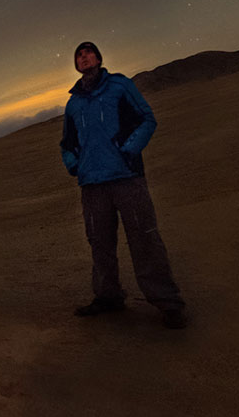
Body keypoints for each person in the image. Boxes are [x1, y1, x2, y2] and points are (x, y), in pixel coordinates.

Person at [59, 41, 188, 329]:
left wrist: (128, 150)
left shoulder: (119, 86)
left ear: (99, 58)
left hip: (126, 178)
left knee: (145, 240)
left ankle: (167, 302)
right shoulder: (73, 103)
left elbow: (147, 119)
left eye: (89, 52)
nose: (84, 57)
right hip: (92, 184)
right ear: (76, 64)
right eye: (79, 55)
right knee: (100, 245)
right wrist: (74, 165)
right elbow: (67, 143)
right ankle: (108, 297)